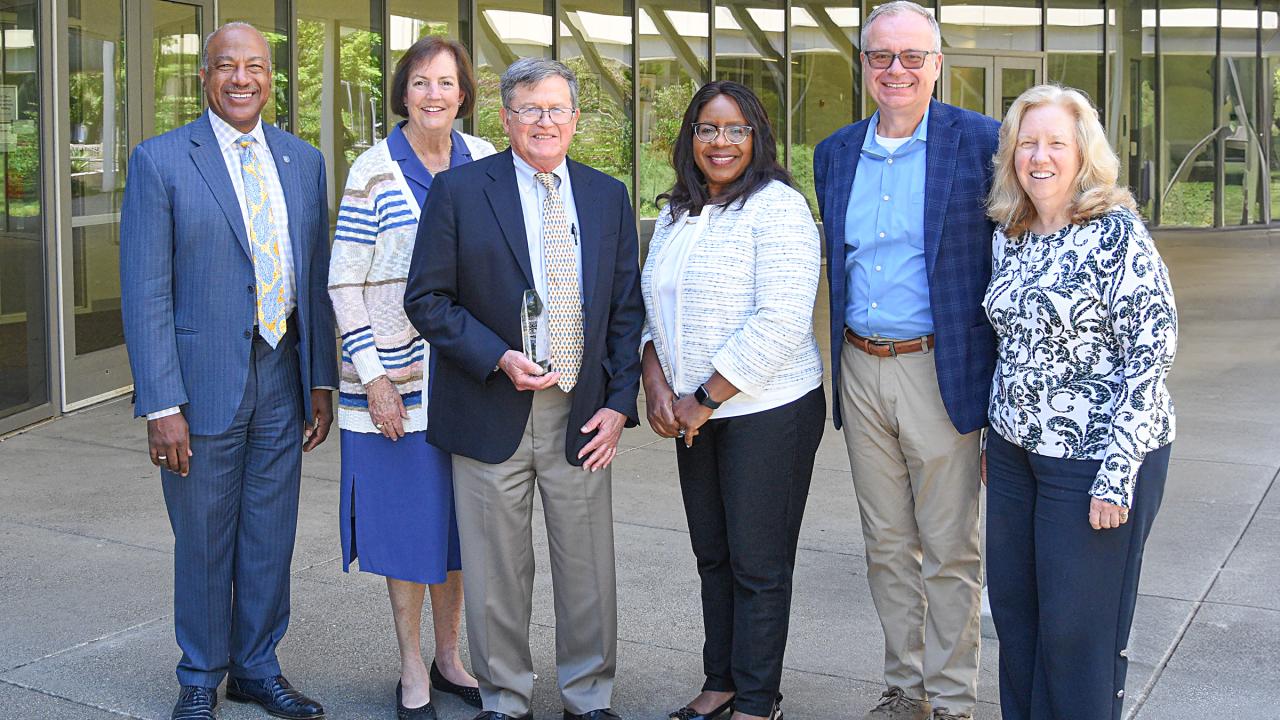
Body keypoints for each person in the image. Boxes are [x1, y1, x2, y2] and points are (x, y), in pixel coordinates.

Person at [402, 57, 643, 720]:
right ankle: (505, 699)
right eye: (529, 108)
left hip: (581, 411)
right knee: (494, 574)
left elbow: (625, 310)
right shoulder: (460, 191)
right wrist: (497, 356)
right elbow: (426, 298)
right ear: (506, 119)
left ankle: (587, 697)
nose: (544, 120)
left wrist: (621, 403)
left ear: (574, 120)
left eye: (556, 108)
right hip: (489, 406)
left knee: (588, 571)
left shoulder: (605, 195)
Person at [120, 21, 336, 720]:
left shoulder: (302, 162)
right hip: (201, 381)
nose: (242, 79)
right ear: (204, 77)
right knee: (205, 538)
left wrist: (320, 382)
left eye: (255, 67)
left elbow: (317, 277)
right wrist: (160, 404)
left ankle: (256, 668)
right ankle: (198, 676)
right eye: (225, 66)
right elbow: (145, 288)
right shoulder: (161, 161)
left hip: (282, 372)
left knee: (271, 531)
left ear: (272, 77)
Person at [812, 3, 1000, 719]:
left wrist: (995, 398)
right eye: (881, 56)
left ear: (937, 64)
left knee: (950, 549)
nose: (896, 70)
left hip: (939, 369)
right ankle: (906, 688)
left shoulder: (980, 142)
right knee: (886, 543)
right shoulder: (835, 152)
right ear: (862, 65)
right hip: (859, 369)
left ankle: (952, 700)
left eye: (912, 57)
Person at [982, 84, 1177, 720]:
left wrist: (1117, 474)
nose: (1039, 157)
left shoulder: (1117, 234)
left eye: (1055, 143)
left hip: (1095, 461)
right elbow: (1013, 346)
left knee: (1076, 634)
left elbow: (1150, 355)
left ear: (1083, 153)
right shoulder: (1010, 232)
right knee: (1019, 619)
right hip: (1016, 456)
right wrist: (994, 435)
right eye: (1026, 143)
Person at [640, 80, 826, 720]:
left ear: (757, 138)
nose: (721, 142)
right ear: (690, 138)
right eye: (707, 129)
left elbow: (780, 319)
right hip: (698, 411)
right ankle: (719, 682)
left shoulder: (778, 208)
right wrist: (658, 381)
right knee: (713, 555)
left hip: (768, 411)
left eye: (735, 130)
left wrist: (704, 397)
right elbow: (653, 308)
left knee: (758, 563)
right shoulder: (677, 211)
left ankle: (755, 699)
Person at [327, 36, 492, 720]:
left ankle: (449, 658)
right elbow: (344, 283)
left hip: (468, 384)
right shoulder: (372, 171)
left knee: (457, 535)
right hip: (391, 389)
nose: (433, 94)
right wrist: (375, 379)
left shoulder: (485, 160)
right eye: (420, 82)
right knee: (406, 533)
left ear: (463, 94)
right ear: (403, 93)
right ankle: (409, 670)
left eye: (446, 83)